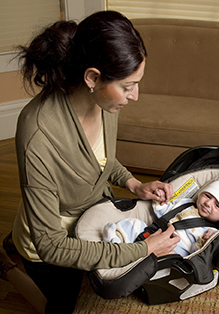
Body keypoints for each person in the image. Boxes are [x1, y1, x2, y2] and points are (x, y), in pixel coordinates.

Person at [0, 10, 180, 314]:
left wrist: (134, 183)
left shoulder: (105, 101)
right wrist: (143, 249)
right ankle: (8, 267)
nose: (134, 95)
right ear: (93, 77)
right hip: (48, 244)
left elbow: (100, 158)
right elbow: (51, 245)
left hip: (88, 216)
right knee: (62, 308)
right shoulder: (38, 134)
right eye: (127, 86)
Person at [103, 178, 219, 256]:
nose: (208, 203)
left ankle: (134, 259)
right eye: (207, 196)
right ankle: (116, 242)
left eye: (217, 205)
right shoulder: (185, 203)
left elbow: (196, 252)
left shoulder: (211, 231)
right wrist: (160, 199)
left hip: (173, 250)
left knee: (170, 260)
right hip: (152, 234)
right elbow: (163, 212)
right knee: (135, 223)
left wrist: (204, 242)